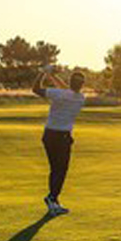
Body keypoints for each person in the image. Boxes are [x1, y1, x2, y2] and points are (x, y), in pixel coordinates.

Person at [32, 65, 86, 216]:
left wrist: (44, 73)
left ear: (70, 82)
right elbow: (67, 90)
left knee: (56, 169)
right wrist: (51, 76)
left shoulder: (58, 94)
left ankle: (53, 201)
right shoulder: (81, 98)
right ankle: (52, 198)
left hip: (49, 135)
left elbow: (36, 89)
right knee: (60, 170)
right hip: (62, 137)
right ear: (82, 85)